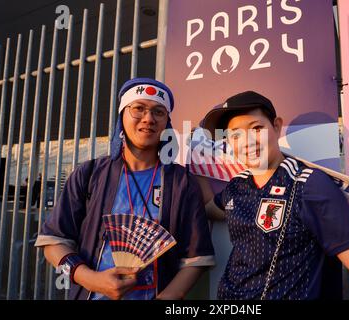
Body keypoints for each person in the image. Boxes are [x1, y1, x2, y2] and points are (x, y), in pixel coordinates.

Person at [197, 90, 349, 300]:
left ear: (276, 126)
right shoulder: (237, 186)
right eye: (235, 135)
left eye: (256, 128)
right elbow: (210, 209)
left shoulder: (309, 185)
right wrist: (192, 165)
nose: (247, 142)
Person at [35, 78, 215, 300]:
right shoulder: (89, 173)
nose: (148, 118)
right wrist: (90, 279)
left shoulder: (181, 182)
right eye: (138, 108)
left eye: (159, 112)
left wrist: (168, 297)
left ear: (166, 123)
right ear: (122, 116)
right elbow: (53, 243)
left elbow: (197, 258)